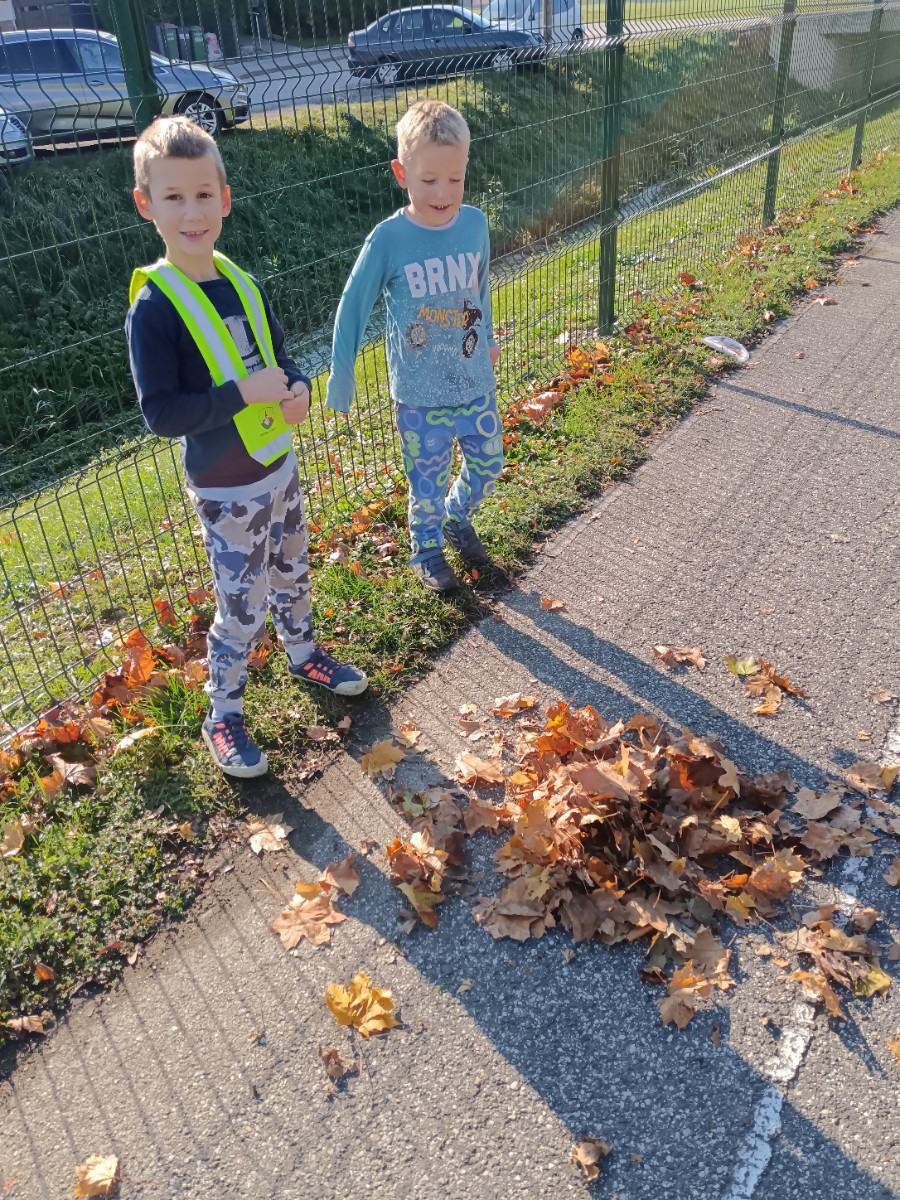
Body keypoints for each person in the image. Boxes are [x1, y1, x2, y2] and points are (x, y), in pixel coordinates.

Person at [125, 116, 367, 780]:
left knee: (293, 573)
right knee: (241, 606)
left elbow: (280, 359)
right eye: (174, 197)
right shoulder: (154, 309)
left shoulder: (242, 282)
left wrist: (298, 389)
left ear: (225, 199)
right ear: (147, 205)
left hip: (279, 470)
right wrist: (241, 394)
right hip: (227, 490)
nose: (192, 212)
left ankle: (305, 654)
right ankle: (223, 714)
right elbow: (161, 413)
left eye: (204, 194)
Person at [327, 100, 504, 592]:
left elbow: (480, 289)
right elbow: (353, 303)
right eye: (428, 180)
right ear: (401, 173)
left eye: (455, 178)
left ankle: (456, 516)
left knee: (489, 464)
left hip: (473, 381)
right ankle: (426, 548)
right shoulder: (389, 240)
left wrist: (488, 338)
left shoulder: (475, 224)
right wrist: (342, 372)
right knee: (426, 481)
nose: (443, 192)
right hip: (420, 395)